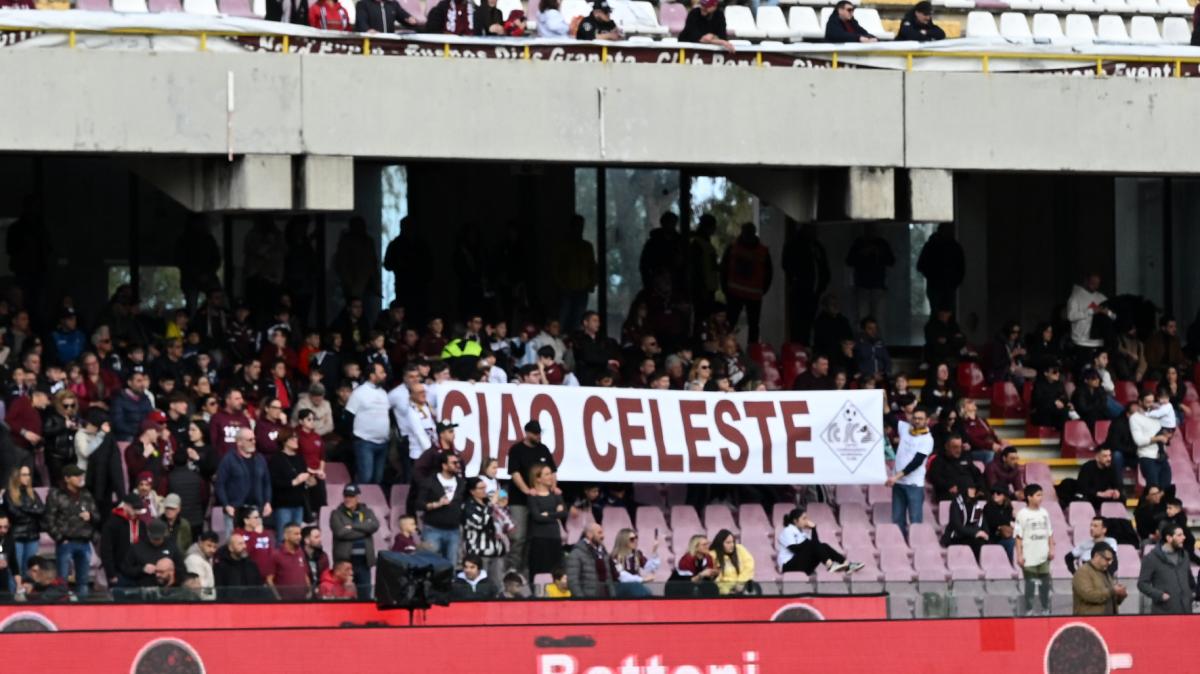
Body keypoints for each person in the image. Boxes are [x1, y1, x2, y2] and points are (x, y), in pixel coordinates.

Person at [505, 420, 558, 574]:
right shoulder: (516, 449)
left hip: (539, 501)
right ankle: (512, 569)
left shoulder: (543, 449)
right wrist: (526, 490)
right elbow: (514, 473)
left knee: (532, 537)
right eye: (535, 434)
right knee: (518, 536)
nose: (538, 436)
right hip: (519, 500)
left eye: (539, 433)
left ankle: (526, 570)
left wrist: (553, 487)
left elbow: (552, 471)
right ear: (527, 433)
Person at [45, 464, 100, 597]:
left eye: (81, 475)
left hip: (84, 541)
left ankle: (82, 607)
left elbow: (97, 516)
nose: (80, 478)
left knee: (83, 582)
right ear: (67, 478)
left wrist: (90, 516)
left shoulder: (86, 494)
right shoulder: (56, 494)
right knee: (62, 583)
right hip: (66, 542)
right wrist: (60, 538)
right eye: (76, 475)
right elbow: (49, 519)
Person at [719, 223, 772, 344]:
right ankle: (728, 346)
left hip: (741, 294)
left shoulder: (733, 248)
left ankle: (733, 347)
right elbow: (724, 269)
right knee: (735, 324)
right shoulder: (760, 251)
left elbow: (723, 269)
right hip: (742, 294)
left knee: (744, 324)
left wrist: (725, 288)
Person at [215, 428, 272, 538]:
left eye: (254, 439)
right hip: (235, 509)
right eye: (250, 440)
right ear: (239, 442)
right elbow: (220, 484)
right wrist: (226, 505)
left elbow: (267, 483)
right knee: (235, 541)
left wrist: (268, 502)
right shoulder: (228, 459)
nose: (253, 442)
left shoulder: (260, 459)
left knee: (256, 541)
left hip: (256, 508)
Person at [886, 408, 933, 538]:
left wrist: (896, 477)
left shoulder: (927, 439)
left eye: (920, 419)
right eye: (915, 418)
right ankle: (900, 545)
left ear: (927, 420)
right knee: (897, 519)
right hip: (898, 483)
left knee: (915, 520)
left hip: (914, 484)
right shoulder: (905, 428)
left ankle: (917, 545)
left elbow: (916, 463)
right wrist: (884, 401)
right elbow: (889, 416)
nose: (917, 421)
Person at [776, 507, 861, 575]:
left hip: (803, 566)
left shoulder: (803, 533)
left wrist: (813, 529)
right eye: (804, 518)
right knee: (814, 545)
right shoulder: (787, 531)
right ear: (795, 521)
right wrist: (810, 543)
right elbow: (795, 549)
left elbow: (816, 544)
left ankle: (847, 565)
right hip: (788, 566)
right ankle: (830, 565)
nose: (807, 521)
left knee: (823, 545)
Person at [330, 484, 380, 599]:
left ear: (357, 497)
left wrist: (352, 526)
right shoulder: (336, 513)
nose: (348, 499)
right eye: (346, 496)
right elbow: (340, 532)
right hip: (345, 562)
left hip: (364, 562)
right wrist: (365, 530)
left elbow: (374, 525)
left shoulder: (367, 512)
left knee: (365, 595)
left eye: (351, 496)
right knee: (344, 597)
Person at [345, 361, 391, 485]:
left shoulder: (383, 393)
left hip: (383, 443)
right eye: (381, 372)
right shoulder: (359, 392)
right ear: (372, 375)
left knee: (378, 479)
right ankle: (354, 495)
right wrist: (354, 437)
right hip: (364, 442)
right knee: (365, 478)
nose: (385, 375)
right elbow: (349, 416)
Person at [1137, 522, 1195, 615]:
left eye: (1183, 534)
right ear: (1169, 538)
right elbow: (1142, 584)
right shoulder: (1151, 558)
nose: (1184, 537)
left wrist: (1192, 593)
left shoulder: (1185, 555)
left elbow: (1190, 579)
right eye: (1179, 535)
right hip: (1164, 612)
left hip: (1186, 611)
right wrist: (1160, 595)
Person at [418, 453, 466, 565]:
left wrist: (502, 494)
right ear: (444, 465)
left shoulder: (461, 483)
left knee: (451, 565)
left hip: (454, 530)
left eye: (458, 462)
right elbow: (419, 504)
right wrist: (436, 504)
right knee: (430, 564)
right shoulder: (430, 481)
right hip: (433, 529)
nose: (458, 465)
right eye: (454, 463)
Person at [1015, 483, 1054, 616]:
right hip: (1029, 555)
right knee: (1030, 584)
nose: (1041, 498)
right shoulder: (1022, 514)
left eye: (1041, 495)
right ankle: (1029, 609)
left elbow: (1050, 533)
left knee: (1045, 583)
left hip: (1043, 555)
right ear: (1029, 497)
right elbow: (1018, 537)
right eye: (1038, 495)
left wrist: (1051, 549)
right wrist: (1019, 555)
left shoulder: (1044, 513)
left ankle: (1045, 608)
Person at [268, 428, 312, 540]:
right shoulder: (276, 459)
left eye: (296, 438)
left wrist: (309, 479)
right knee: (283, 537)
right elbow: (274, 482)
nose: (296, 440)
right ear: (284, 441)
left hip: (299, 503)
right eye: (292, 438)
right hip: (283, 505)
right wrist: (294, 482)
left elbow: (305, 476)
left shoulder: (299, 458)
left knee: (297, 537)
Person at [120, 518, 184, 592]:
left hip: (167, 589)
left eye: (159, 539)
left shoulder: (171, 546)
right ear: (148, 534)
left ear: (164, 535)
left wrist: (169, 571)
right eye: (153, 538)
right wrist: (142, 569)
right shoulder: (137, 547)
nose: (156, 541)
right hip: (143, 589)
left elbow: (181, 569)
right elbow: (125, 569)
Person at [528, 464, 568, 582]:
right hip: (539, 538)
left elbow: (564, 513)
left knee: (556, 571)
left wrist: (548, 514)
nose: (551, 476)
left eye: (550, 473)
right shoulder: (533, 496)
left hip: (555, 537)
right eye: (547, 474)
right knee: (540, 571)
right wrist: (555, 514)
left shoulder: (556, 495)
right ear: (538, 478)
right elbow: (537, 517)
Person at [3, 465, 44, 577]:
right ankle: (16, 588)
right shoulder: (8, 494)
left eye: (29, 474)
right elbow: (15, 515)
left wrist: (23, 507)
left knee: (30, 570)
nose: (28, 477)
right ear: (17, 476)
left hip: (33, 535)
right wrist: (32, 510)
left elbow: (41, 510)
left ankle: (27, 588)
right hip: (16, 536)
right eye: (24, 475)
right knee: (15, 570)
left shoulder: (33, 493)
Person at [463, 476, 506, 581]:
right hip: (479, 553)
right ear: (472, 491)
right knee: (480, 582)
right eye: (481, 488)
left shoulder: (488, 502)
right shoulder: (468, 506)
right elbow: (480, 523)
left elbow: (503, 494)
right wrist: (491, 505)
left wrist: (502, 499)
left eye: (485, 487)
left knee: (498, 584)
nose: (484, 490)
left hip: (496, 550)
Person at [100, 492, 145, 588]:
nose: (137, 511)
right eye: (134, 508)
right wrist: (111, 574)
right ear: (125, 506)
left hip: (138, 574)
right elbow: (106, 550)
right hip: (119, 574)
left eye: (139, 509)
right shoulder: (112, 523)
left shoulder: (142, 525)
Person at [1066, 273, 1114, 357]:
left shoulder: (1102, 297)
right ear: (1086, 281)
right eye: (1093, 282)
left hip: (1099, 341)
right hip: (1081, 341)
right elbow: (1070, 316)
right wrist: (1091, 311)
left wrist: (1108, 313)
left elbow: (1114, 316)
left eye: (1097, 283)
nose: (1095, 285)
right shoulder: (1075, 296)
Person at [927, 434, 984, 502]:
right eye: (955, 447)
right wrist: (948, 486)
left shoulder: (965, 457)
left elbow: (977, 474)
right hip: (950, 493)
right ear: (946, 446)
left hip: (970, 492)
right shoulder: (938, 460)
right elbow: (935, 478)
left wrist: (980, 488)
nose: (958, 450)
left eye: (960, 447)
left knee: (986, 496)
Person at [1072, 543, 1125, 616]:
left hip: (1109, 619)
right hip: (1090, 620)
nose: (1109, 563)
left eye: (1111, 560)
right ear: (1096, 556)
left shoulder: (1105, 573)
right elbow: (1089, 595)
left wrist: (1120, 595)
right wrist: (1112, 590)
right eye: (1107, 559)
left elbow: (1111, 599)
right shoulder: (1082, 572)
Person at [565, 522, 616, 598]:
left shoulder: (603, 552)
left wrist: (613, 597)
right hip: (587, 599)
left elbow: (609, 578)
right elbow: (573, 581)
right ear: (589, 534)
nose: (603, 536)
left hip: (605, 598)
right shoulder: (576, 553)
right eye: (599, 533)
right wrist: (582, 600)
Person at [1132, 393, 1171, 490]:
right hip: (1147, 457)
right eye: (1148, 402)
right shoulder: (1135, 418)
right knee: (1154, 490)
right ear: (1140, 402)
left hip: (1162, 456)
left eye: (1152, 401)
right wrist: (1157, 438)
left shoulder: (1157, 415)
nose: (1151, 404)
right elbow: (1138, 441)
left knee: (1165, 490)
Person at [940, 485, 989, 561]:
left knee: (984, 542)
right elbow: (958, 527)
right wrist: (976, 532)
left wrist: (985, 533)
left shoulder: (976, 505)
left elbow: (980, 522)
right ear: (965, 489)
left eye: (974, 489)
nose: (973, 491)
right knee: (977, 544)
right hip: (955, 537)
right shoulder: (956, 504)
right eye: (971, 488)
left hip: (970, 536)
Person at [214, 532, 265, 600]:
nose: (244, 546)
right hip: (230, 604)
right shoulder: (221, 567)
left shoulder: (252, 565)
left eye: (244, 543)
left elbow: (259, 588)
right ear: (231, 548)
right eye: (240, 544)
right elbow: (219, 591)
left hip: (251, 604)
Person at [609, 528, 659, 598]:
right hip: (621, 590)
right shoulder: (615, 557)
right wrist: (642, 579)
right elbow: (622, 576)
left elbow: (650, 567)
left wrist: (654, 551)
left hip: (635, 589)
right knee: (643, 592)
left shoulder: (637, 554)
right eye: (632, 539)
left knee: (645, 592)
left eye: (636, 538)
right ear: (624, 541)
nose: (635, 541)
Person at [266, 522, 310, 600]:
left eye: (300, 534)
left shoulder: (301, 552)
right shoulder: (276, 555)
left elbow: (305, 574)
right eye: (296, 534)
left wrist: (309, 591)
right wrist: (278, 598)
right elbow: (269, 580)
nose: (299, 537)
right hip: (285, 602)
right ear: (286, 536)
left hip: (302, 601)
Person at [666, 534, 719, 598]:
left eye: (708, 544)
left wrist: (714, 573)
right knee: (694, 590)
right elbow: (689, 581)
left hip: (696, 584)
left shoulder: (708, 558)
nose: (707, 546)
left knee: (712, 587)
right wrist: (702, 574)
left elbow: (708, 578)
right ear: (696, 547)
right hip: (678, 587)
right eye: (704, 545)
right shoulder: (686, 560)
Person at [1075, 447, 1124, 512]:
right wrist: (1099, 493)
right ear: (1097, 458)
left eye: (1110, 455)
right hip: (1091, 496)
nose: (1109, 459)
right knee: (1084, 498)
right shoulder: (1087, 467)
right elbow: (1082, 488)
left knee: (1122, 497)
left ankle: (1116, 517)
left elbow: (1117, 484)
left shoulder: (1111, 467)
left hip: (1104, 497)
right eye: (1105, 456)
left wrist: (1116, 491)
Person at [710, 529, 756, 596]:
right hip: (723, 593)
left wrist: (740, 582)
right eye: (728, 543)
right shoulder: (712, 555)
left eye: (733, 542)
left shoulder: (740, 549)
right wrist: (727, 591)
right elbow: (714, 578)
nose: (732, 545)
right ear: (720, 543)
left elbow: (749, 566)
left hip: (741, 587)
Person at [1030, 365, 1071, 432]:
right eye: (1054, 372)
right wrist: (1054, 401)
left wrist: (1067, 403)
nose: (1058, 374)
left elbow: (1064, 397)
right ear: (1046, 373)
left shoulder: (1059, 384)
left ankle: (1064, 432)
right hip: (1042, 411)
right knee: (1060, 411)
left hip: (1057, 410)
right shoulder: (1039, 384)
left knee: (1068, 411)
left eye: (1058, 372)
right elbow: (1037, 400)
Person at [983, 486, 1016, 561]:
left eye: (998, 493)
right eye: (993, 493)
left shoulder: (1008, 508)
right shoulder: (988, 507)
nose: (995, 495)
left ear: (1004, 495)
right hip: (993, 538)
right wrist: (1007, 523)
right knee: (1011, 542)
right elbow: (992, 522)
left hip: (1005, 536)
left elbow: (1008, 521)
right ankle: (1011, 563)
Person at [853, 317, 891, 382]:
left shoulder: (880, 342)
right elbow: (856, 363)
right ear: (863, 330)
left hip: (880, 377)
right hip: (865, 378)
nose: (874, 331)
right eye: (870, 328)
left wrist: (885, 372)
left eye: (875, 328)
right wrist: (870, 375)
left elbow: (887, 360)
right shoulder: (858, 343)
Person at [185, 531, 219, 600]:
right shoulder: (194, 560)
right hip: (199, 602)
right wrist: (209, 599)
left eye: (215, 547)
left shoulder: (206, 557)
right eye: (209, 545)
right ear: (200, 543)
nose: (212, 550)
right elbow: (198, 588)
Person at [354, 0, 419, 35]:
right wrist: (367, 30)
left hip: (389, 41)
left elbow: (404, 16)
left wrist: (411, 20)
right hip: (372, 40)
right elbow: (361, 23)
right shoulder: (363, 4)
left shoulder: (393, 4)